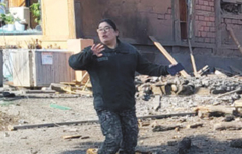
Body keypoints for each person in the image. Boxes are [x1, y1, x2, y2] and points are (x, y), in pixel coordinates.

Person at [68, 19, 183, 154]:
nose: (103, 32)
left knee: (130, 142)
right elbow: (73, 63)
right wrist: (88, 55)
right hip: (106, 105)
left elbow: (147, 67)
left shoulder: (129, 51)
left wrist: (167, 69)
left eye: (107, 28)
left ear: (116, 32)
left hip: (126, 104)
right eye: (100, 29)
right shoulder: (94, 51)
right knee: (113, 141)